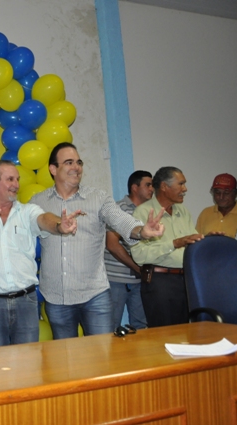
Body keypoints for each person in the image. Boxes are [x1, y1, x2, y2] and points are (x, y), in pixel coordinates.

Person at [30, 143, 164, 340]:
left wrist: (141, 231)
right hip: (56, 297)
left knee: (102, 353)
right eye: (69, 162)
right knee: (65, 356)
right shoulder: (37, 201)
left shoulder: (98, 198)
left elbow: (120, 220)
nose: (76, 167)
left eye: (79, 162)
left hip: (94, 296)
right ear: (53, 169)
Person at [0, 160, 80, 348]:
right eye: (10, 179)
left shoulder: (28, 211)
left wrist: (59, 225)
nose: (16, 185)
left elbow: (44, 219)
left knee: (28, 359)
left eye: (17, 179)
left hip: (25, 301)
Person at [131, 166, 203, 327]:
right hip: (160, 282)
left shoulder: (183, 211)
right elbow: (139, 255)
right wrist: (174, 244)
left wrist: (208, 239)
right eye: (181, 184)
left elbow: (191, 241)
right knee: (164, 335)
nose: (185, 189)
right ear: (164, 186)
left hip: (187, 280)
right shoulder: (143, 212)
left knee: (187, 333)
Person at [104, 171, 153, 330]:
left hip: (141, 280)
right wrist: (137, 268)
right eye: (148, 185)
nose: (152, 189)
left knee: (141, 327)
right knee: (111, 327)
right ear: (134, 187)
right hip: (117, 279)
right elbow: (112, 245)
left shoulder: (150, 212)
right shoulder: (119, 209)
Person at [196, 173, 237, 237]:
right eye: (217, 192)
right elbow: (197, 240)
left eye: (226, 193)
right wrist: (207, 238)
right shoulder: (206, 213)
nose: (221, 197)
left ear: (236, 193)